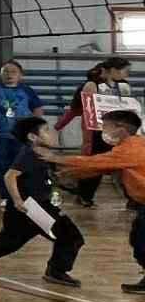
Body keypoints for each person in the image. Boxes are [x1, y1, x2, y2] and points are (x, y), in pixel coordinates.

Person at [0, 117, 81, 286]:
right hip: (29, 208)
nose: (51, 133)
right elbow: (10, 176)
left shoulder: (44, 155)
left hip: (37, 207)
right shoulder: (29, 154)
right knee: (69, 236)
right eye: (46, 130)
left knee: (10, 242)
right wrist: (17, 200)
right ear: (32, 137)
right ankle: (56, 271)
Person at [43, 107, 145, 293]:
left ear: (121, 128)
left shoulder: (131, 149)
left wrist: (57, 158)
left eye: (105, 127)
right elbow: (101, 168)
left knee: (141, 242)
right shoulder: (129, 148)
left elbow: (95, 162)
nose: (102, 132)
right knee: (138, 240)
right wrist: (69, 173)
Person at [55, 57, 132, 209]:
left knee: (126, 164)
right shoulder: (91, 85)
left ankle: (134, 199)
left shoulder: (124, 86)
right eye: (125, 70)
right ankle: (84, 195)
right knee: (94, 166)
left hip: (118, 131)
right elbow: (78, 110)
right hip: (97, 131)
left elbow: (128, 108)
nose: (127, 74)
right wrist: (57, 127)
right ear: (113, 70)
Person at [0, 59, 41, 204]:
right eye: (6, 71)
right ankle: (5, 197)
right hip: (0, 135)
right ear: (0, 74)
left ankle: (23, 195)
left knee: (22, 166)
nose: (9, 74)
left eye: (13, 72)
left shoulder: (27, 90)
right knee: (2, 167)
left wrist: (35, 128)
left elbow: (37, 109)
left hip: (22, 136)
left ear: (20, 75)